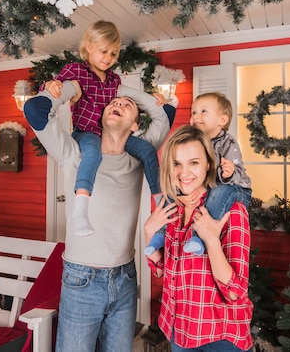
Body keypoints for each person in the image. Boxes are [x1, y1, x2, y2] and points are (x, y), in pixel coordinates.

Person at [23, 80, 170, 352]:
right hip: (82, 280)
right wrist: (68, 90)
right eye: (113, 103)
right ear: (100, 117)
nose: (118, 104)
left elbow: (167, 112)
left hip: (125, 277)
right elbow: (34, 110)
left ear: (135, 126)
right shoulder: (73, 152)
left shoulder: (138, 158)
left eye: (126, 105)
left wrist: (120, 91)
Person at [43, 20, 174, 236]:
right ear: (88, 46)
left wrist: (156, 99)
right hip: (87, 134)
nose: (109, 58)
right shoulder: (77, 71)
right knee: (92, 155)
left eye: (113, 54)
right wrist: (50, 85)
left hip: (110, 134)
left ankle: (162, 204)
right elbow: (55, 86)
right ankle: (81, 209)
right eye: (104, 52)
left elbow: (134, 100)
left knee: (148, 150)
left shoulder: (114, 79)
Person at [144, 125, 254, 352]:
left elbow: (234, 292)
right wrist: (149, 234)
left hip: (220, 339)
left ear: (209, 165)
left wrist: (211, 241)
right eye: (177, 164)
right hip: (179, 332)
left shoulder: (230, 211)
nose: (184, 173)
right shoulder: (171, 210)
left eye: (193, 162)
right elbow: (163, 271)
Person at [144, 92, 252, 255]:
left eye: (203, 111)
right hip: (211, 187)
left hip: (233, 188)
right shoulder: (196, 143)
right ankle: (159, 236)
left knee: (218, 191)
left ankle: (198, 237)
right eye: (193, 112)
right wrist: (179, 196)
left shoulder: (228, 143)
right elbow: (160, 269)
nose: (195, 116)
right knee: (171, 196)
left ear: (222, 120)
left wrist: (228, 173)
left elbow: (237, 172)